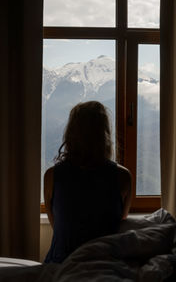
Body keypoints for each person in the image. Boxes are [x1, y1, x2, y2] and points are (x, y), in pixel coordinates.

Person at [44, 101, 132, 263]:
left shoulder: (52, 176)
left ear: (71, 133)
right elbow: (120, 220)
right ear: (104, 133)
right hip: (105, 263)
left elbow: (56, 225)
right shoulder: (123, 177)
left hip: (61, 263)